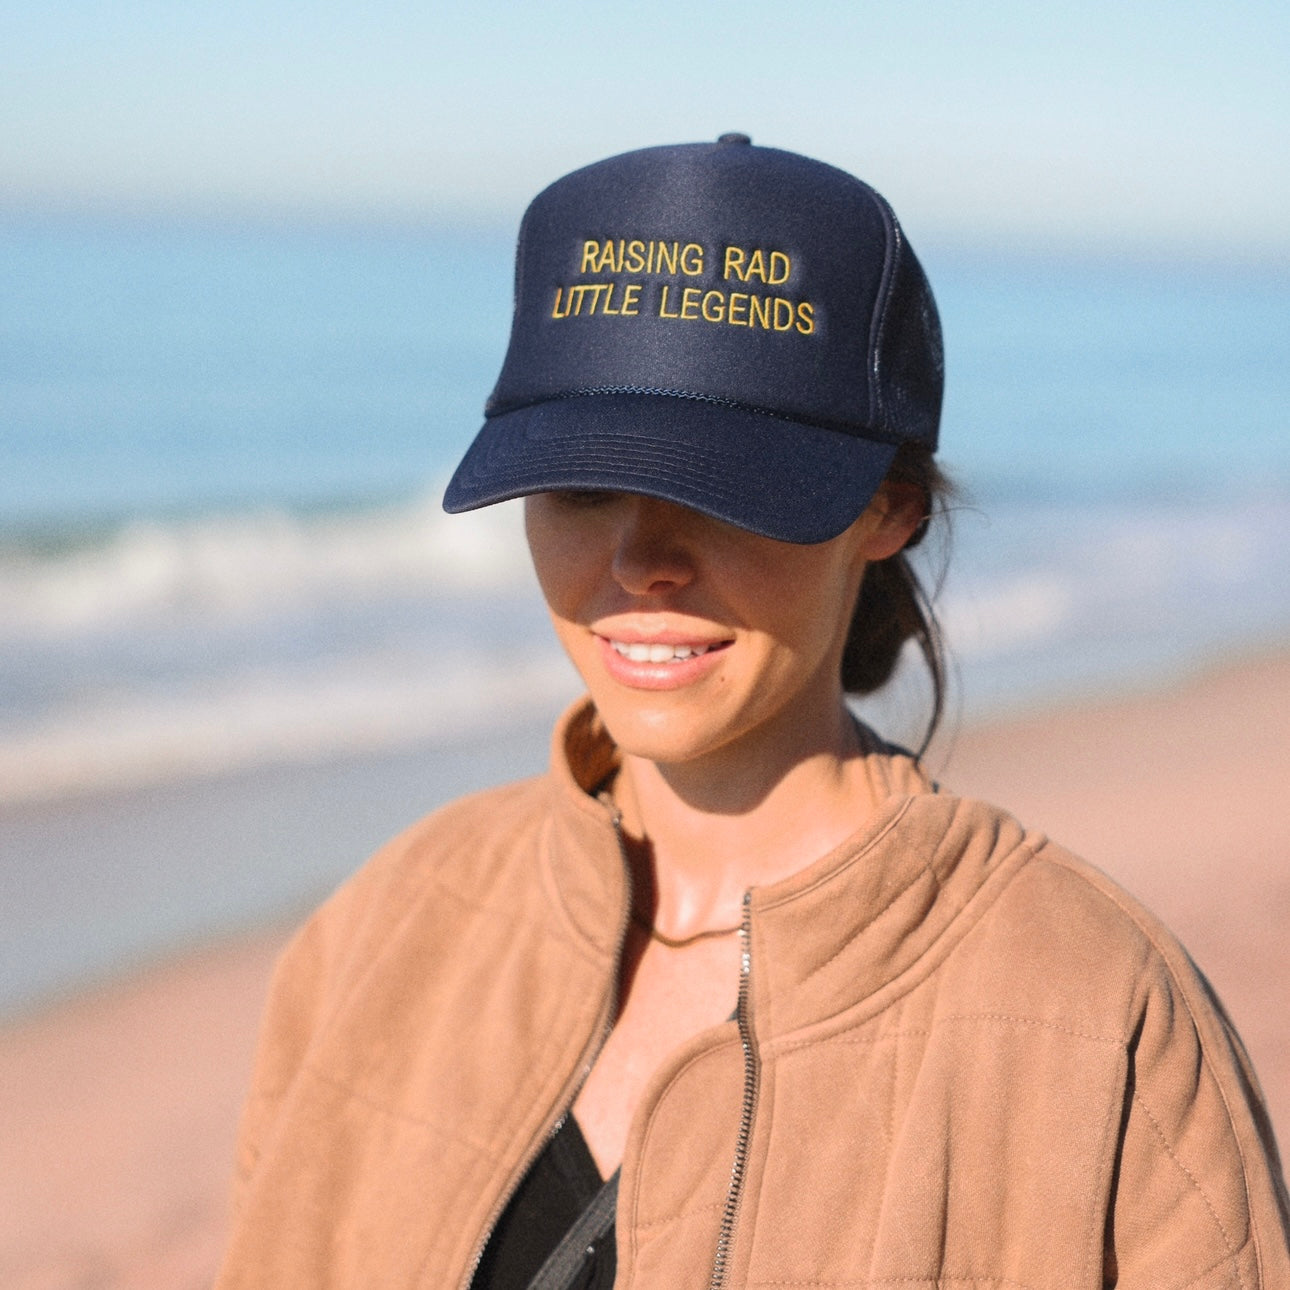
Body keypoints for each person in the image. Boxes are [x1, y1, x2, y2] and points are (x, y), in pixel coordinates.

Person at [215, 136, 1290, 1289]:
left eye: (717, 493)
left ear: (889, 510)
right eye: (582, 486)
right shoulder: (392, 930)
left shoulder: (1088, 1014)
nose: (640, 562)